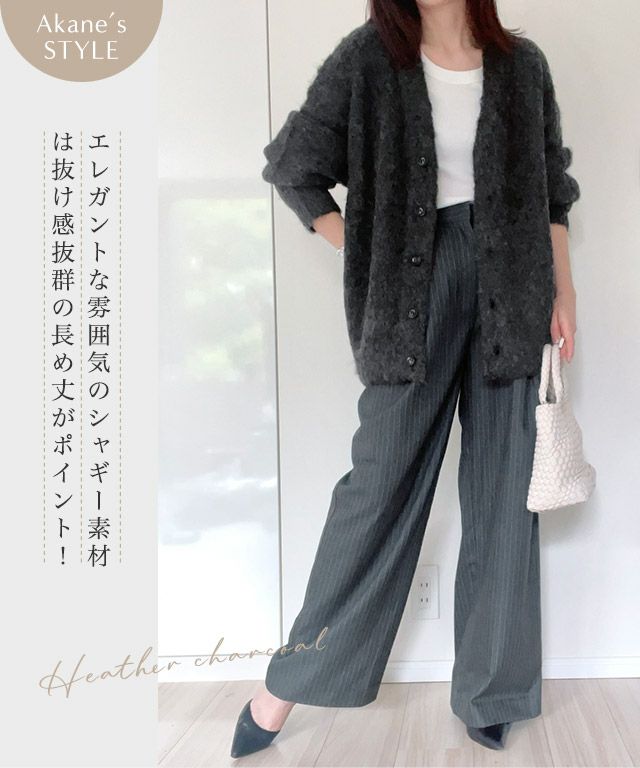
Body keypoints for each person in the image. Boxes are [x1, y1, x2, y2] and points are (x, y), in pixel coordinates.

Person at [231, 0, 580, 757]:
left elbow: (553, 188)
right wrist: (366, 249)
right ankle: (287, 684)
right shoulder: (368, 58)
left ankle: (492, 691)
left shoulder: (522, 66)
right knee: (378, 485)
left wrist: (564, 289)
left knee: (504, 490)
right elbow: (293, 167)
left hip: (515, 285)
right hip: (411, 294)